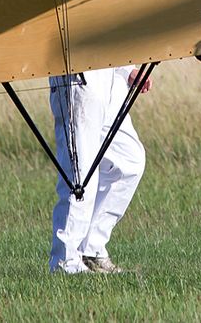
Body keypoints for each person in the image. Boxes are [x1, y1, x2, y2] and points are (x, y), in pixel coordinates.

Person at [49, 66, 151, 274]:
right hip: (78, 74)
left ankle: (91, 250)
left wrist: (126, 70)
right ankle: (65, 262)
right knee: (80, 175)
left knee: (129, 162)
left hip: (111, 76)